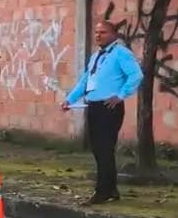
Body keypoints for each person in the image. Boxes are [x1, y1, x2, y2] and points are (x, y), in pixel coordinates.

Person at [61, 20, 143, 205]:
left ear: (114, 34)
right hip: (94, 106)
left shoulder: (121, 53)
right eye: (97, 32)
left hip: (109, 107)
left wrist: (121, 95)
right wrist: (70, 99)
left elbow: (136, 75)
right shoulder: (96, 56)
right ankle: (111, 189)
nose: (98, 35)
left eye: (103, 32)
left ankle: (102, 191)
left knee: (104, 149)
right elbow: (85, 81)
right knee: (99, 150)